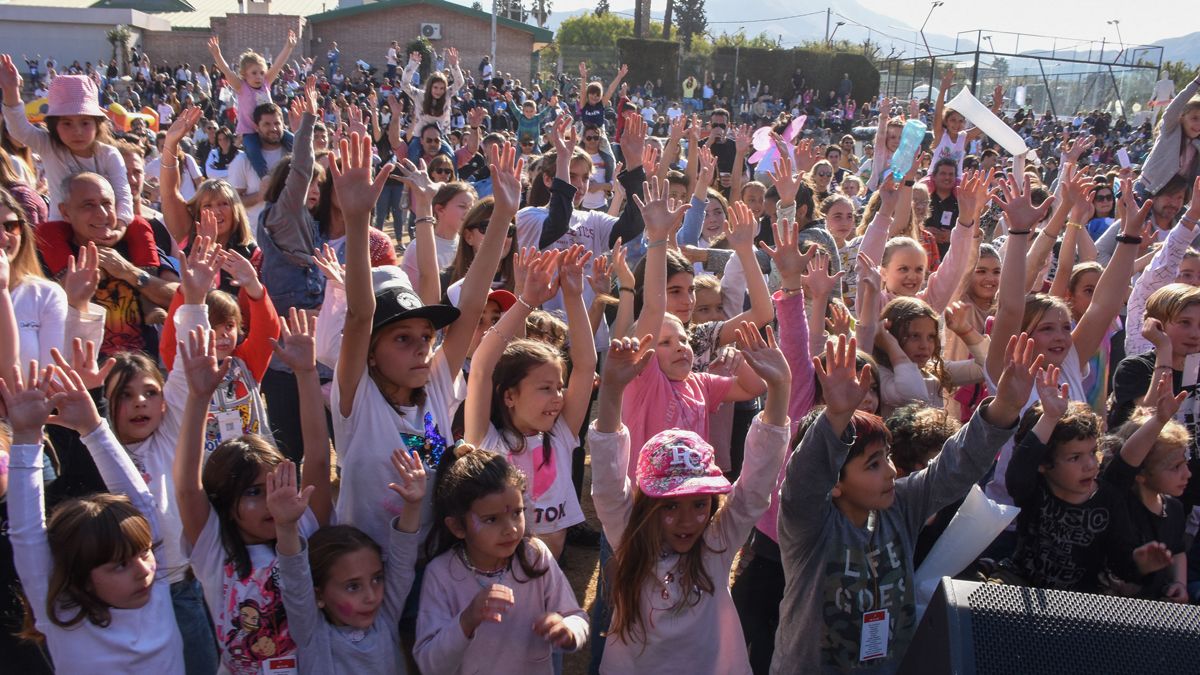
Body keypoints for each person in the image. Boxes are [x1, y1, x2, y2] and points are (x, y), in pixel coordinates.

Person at [772, 332, 1037, 672]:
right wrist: (835, 417)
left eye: (887, 458)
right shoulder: (809, 526)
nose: (890, 472)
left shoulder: (900, 508)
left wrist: (1005, 407)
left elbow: (955, 466)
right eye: (873, 464)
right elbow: (804, 481)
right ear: (834, 483)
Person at [332, 136, 520, 548]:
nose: (421, 346)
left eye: (425, 336)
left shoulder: (433, 382)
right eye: (402, 338)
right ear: (371, 355)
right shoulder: (357, 397)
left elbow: (470, 306)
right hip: (366, 571)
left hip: (432, 560)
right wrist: (358, 220)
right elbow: (360, 315)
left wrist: (504, 213)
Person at [588, 322, 789, 673]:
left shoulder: (717, 544)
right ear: (646, 505)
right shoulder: (630, 538)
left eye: (699, 504)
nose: (687, 520)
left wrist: (780, 388)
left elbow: (754, 487)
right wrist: (612, 391)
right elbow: (607, 483)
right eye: (669, 506)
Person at [173, 314, 332, 674]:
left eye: (277, 484)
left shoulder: (303, 525)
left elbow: (319, 460)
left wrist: (307, 375)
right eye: (254, 492)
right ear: (225, 503)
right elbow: (185, 487)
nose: (272, 501)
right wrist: (198, 398)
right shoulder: (215, 550)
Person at [4, 360, 185, 672]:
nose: (143, 569)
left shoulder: (156, 587)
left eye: (143, 553)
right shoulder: (61, 616)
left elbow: (141, 504)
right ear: (82, 580)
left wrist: (93, 427)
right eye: (119, 565)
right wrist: (26, 438)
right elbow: (27, 534)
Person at [463, 246, 596, 558]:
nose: (558, 397)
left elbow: (587, 365)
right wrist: (525, 301)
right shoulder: (488, 442)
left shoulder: (560, 436)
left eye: (560, 387)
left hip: (548, 577)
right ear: (509, 396)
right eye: (546, 388)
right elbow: (482, 367)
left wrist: (573, 297)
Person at [413, 446, 588, 673]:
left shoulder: (534, 555)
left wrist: (568, 630)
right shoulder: (441, 574)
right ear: (457, 526)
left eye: (517, 512)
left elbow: (576, 616)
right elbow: (429, 663)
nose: (511, 529)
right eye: (491, 519)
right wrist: (466, 620)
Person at [1001, 372, 1173, 593]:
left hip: (1080, 603)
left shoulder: (1108, 496)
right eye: (1075, 457)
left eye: (1093, 452)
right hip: (1023, 587)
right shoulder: (1033, 489)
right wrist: (1050, 417)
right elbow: (1020, 468)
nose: (1090, 465)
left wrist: (1140, 563)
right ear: (1043, 463)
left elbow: (1128, 459)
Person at [268, 447, 423, 673]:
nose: (371, 596)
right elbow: (295, 581)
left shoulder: (385, 617)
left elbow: (402, 563)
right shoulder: (312, 634)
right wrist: (285, 526)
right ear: (319, 595)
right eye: (353, 586)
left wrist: (413, 506)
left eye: (377, 579)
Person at [0, 59, 134, 228]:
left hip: (103, 228)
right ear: (54, 127)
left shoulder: (109, 155)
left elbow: (123, 196)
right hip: (61, 232)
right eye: (67, 123)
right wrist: (11, 90)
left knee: (141, 228)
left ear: (97, 124)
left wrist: (119, 229)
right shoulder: (48, 146)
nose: (77, 131)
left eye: (85, 123)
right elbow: (19, 129)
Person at [207, 30, 297, 178]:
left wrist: (288, 47)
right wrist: (217, 54)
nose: (259, 77)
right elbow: (226, 71)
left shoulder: (266, 83)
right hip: (250, 131)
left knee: (293, 141)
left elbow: (278, 64)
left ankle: (297, 168)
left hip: (270, 127)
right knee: (254, 151)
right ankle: (266, 177)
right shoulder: (241, 87)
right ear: (244, 75)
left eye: (261, 72)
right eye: (254, 73)